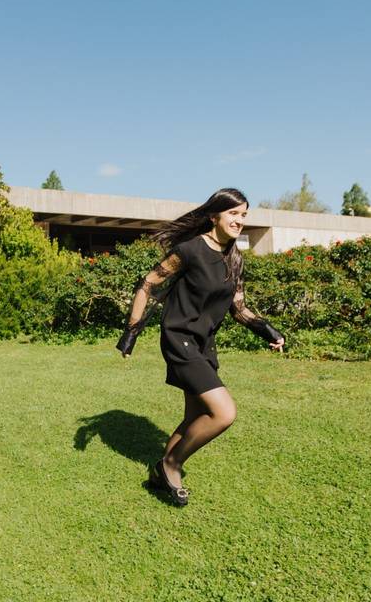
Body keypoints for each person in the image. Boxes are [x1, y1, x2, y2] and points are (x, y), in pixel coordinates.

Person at [117, 188, 284, 505]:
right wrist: (132, 331)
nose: (240, 221)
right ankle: (171, 464)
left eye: (244, 215)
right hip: (179, 339)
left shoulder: (234, 258)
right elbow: (148, 284)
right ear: (214, 216)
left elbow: (239, 308)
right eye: (234, 213)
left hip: (204, 344)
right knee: (224, 412)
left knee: (195, 416)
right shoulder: (190, 250)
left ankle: (159, 474)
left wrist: (269, 331)